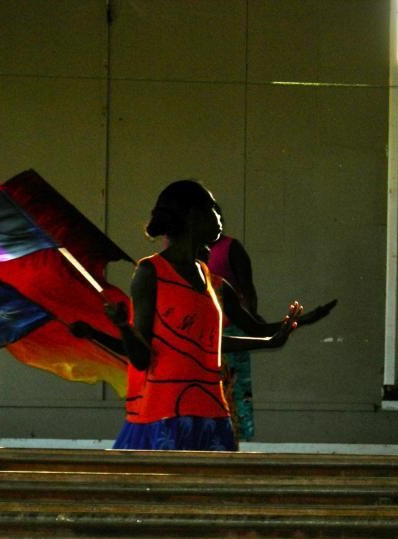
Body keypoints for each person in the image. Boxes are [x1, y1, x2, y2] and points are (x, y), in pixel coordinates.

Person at [94, 180, 304, 451]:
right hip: (164, 416)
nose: (219, 217)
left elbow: (207, 344)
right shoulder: (151, 272)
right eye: (212, 209)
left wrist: (271, 340)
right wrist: (123, 326)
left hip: (212, 413)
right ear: (192, 216)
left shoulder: (207, 276)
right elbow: (142, 358)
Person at [206, 210, 336, 442]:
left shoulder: (219, 283)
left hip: (227, 348)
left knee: (228, 414)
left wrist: (294, 323)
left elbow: (249, 321)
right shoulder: (161, 275)